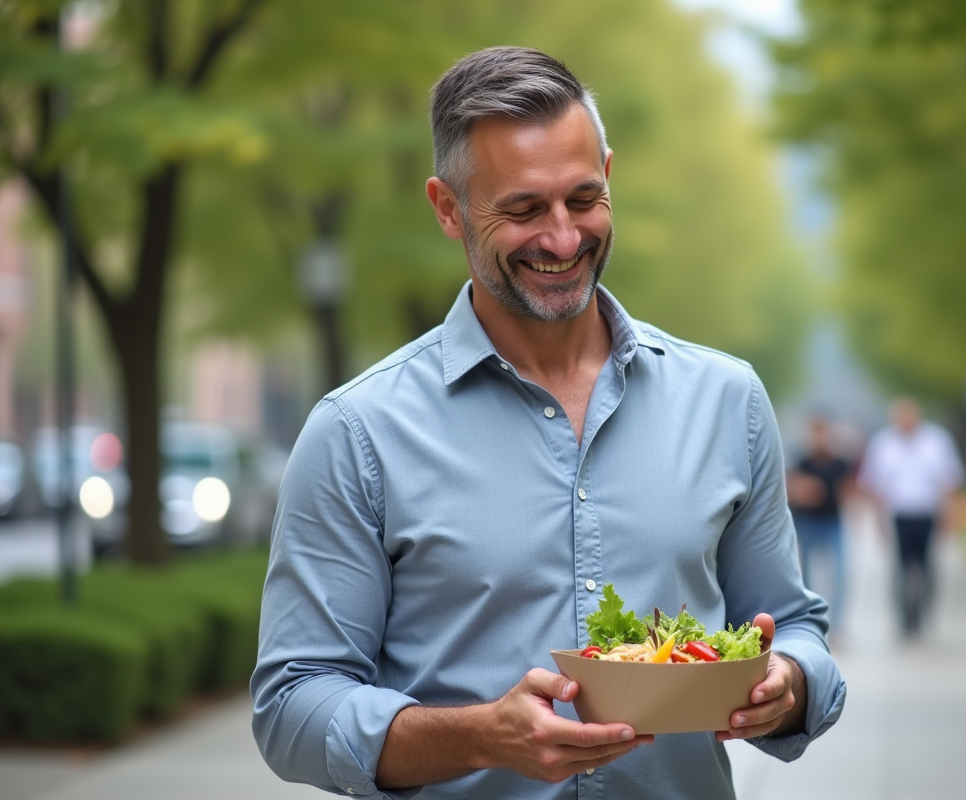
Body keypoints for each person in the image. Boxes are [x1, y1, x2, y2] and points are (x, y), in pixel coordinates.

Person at [251, 46, 845, 799]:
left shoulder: (727, 399)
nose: (564, 239)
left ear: (609, 177)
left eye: (583, 198)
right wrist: (478, 736)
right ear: (447, 208)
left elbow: (794, 626)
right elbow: (293, 706)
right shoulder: (356, 432)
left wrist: (788, 685)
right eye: (524, 209)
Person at [856, 397, 965, 638]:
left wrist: (949, 515)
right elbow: (873, 485)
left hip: (927, 513)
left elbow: (949, 480)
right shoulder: (883, 443)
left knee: (927, 568)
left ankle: (922, 616)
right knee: (901, 568)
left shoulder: (936, 441)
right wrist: (878, 522)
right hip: (899, 514)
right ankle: (905, 618)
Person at [787, 417, 851, 637]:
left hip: (833, 522)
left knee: (840, 572)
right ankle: (810, 620)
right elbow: (792, 490)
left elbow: (850, 489)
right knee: (805, 575)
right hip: (809, 523)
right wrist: (805, 492)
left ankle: (838, 623)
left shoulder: (840, 463)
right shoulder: (802, 462)